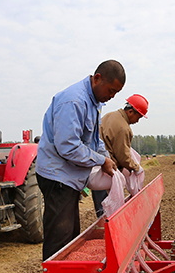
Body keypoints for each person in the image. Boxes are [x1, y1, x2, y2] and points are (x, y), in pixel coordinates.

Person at [35, 60, 125, 260]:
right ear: (97, 78)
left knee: (71, 235)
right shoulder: (74, 101)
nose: (111, 97)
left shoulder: (94, 103)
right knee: (60, 238)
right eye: (111, 91)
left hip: (69, 176)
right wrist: (101, 161)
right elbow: (68, 146)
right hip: (57, 176)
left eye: (115, 94)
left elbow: (94, 140)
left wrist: (107, 158)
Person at [92, 94, 149, 217]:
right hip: (107, 172)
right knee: (109, 214)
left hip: (95, 168)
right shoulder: (123, 127)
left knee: (101, 210)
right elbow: (123, 157)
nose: (137, 121)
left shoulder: (109, 116)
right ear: (130, 112)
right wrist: (136, 167)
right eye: (138, 117)